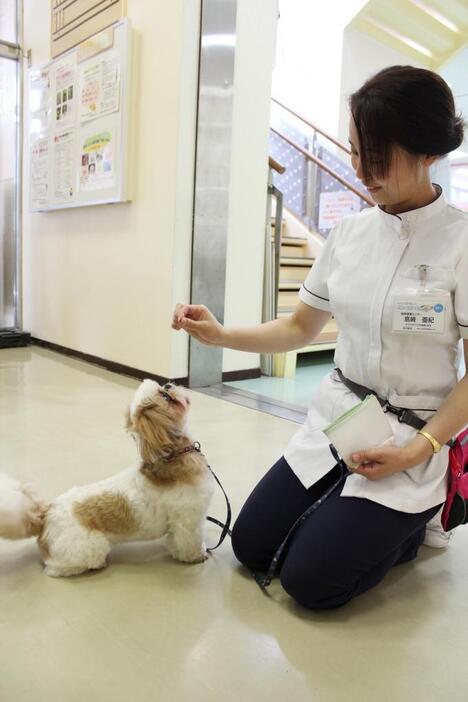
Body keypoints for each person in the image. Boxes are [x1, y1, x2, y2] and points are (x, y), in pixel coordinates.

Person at [172, 66, 468, 610]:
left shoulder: (461, 241)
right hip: (339, 421)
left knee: (313, 583)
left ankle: (416, 523)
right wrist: (218, 334)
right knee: (253, 547)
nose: (362, 170)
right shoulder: (349, 234)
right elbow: (298, 327)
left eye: (377, 154)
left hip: (414, 435)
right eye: (356, 151)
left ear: (427, 149)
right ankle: (356, 518)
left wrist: (421, 449)